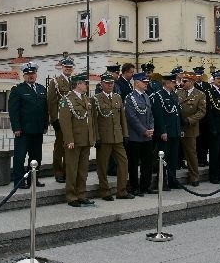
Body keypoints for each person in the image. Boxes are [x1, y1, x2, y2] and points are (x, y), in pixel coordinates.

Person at [92, 72, 134, 200]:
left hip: (117, 137)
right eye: (107, 83)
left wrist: (125, 134)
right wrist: (96, 137)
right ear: (102, 84)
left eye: (112, 83)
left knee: (123, 163)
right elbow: (94, 121)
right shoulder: (96, 99)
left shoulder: (117, 97)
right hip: (104, 138)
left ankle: (122, 191)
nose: (110, 85)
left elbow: (122, 117)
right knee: (102, 166)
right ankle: (105, 191)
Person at [7, 63, 47, 188]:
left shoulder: (41, 89)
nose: (31, 76)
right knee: (20, 157)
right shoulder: (17, 90)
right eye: (28, 74)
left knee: (36, 157)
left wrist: (45, 125)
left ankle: (33, 179)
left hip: (38, 129)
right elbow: (13, 111)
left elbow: (45, 109)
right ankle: (19, 181)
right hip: (23, 130)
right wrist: (16, 127)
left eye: (33, 74)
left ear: (36, 75)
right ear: (24, 76)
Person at [59, 72, 96, 207]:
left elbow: (90, 121)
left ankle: (81, 194)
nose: (86, 85)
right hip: (74, 141)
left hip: (85, 140)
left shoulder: (86, 99)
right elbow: (65, 122)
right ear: (78, 84)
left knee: (83, 170)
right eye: (84, 83)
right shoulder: (66, 100)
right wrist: (69, 140)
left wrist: (92, 138)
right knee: (72, 169)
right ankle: (71, 196)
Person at [124, 73, 155, 196]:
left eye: (147, 82)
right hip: (135, 137)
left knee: (147, 163)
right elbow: (131, 117)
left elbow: (151, 115)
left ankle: (145, 186)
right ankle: (134, 187)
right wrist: (143, 130)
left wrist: (151, 128)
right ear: (136, 83)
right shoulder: (130, 98)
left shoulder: (146, 96)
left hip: (147, 136)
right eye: (144, 82)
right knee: (133, 163)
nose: (146, 84)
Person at [47, 56, 75, 184]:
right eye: (66, 67)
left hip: (74, 120)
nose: (68, 69)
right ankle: (58, 172)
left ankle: (68, 171)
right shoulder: (55, 82)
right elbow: (52, 102)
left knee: (71, 146)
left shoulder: (75, 82)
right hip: (61, 120)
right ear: (62, 67)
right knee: (60, 147)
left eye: (70, 67)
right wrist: (54, 120)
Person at [152, 73, 181, 190]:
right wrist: (163, 131)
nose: (175, 84)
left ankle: (172, 181)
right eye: (173, 82)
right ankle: (162, 182)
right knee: (163, 159)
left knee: (174, 158)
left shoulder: (173, 95)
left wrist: (180, 129)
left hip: (175, 131)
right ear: (167, 83)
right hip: (166, 132)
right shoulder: (159, 96)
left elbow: (177, 114)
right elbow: (159, 115)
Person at [176, 73, 206, 186]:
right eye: (182, 81)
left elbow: (202, 111)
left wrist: (190, 120)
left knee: (191, 153)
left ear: (192, 82)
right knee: (174, 152)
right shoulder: (178, 92)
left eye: (185, 81)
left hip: (190, 127)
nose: (182, 83)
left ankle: (194, 177)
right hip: (177, 126)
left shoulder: (200, 94)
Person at [204, 71, 220, 184]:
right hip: (215, 128)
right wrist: (212, 128)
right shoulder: (209, 92)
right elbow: (208, 113)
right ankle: (213, 176)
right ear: (213, 79)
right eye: (218, 78)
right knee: (215, 153)